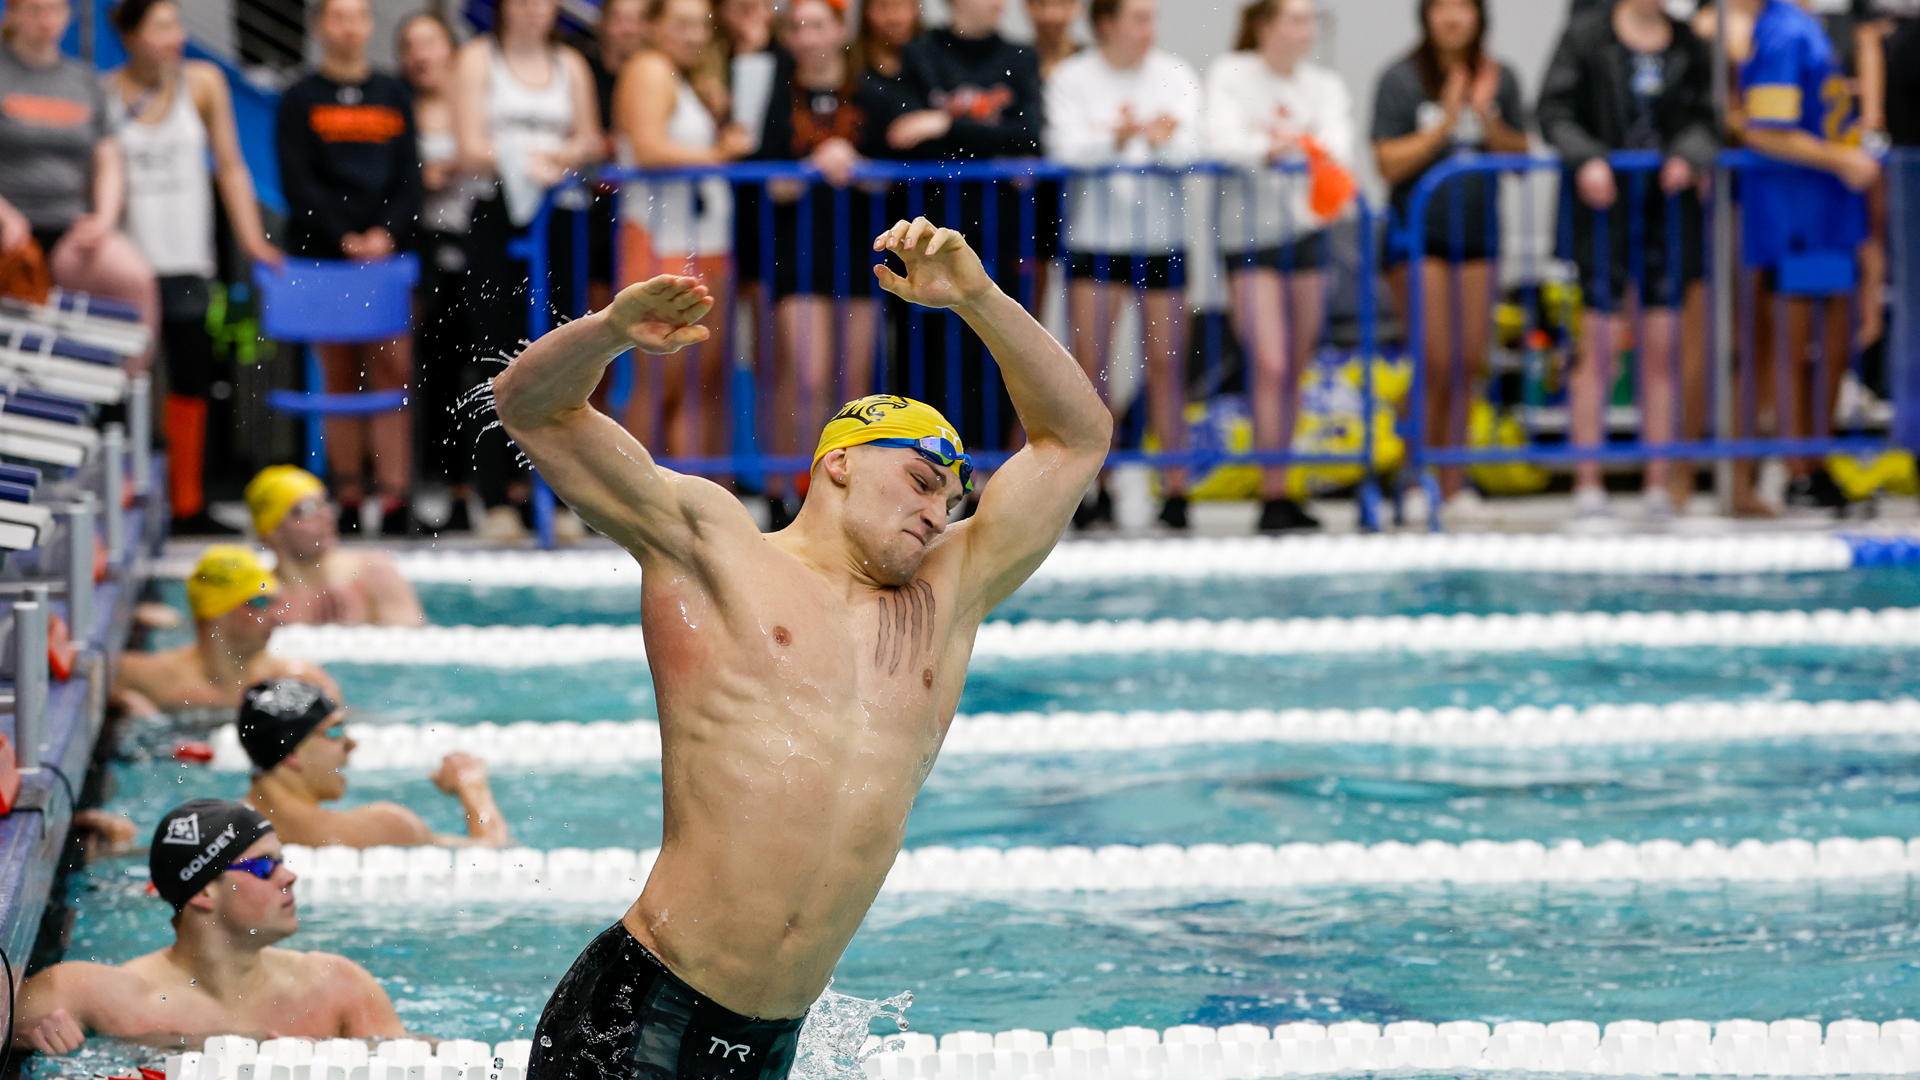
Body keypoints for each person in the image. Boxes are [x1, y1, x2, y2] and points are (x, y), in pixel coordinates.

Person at [493, 219, 1109, 1078]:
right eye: (921, 481)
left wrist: (979, 298)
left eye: (951, 498)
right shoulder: (714, 548)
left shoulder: (946, 595)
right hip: (641, 1014)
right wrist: (608, 333)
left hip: (769, 1044)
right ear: (840, 464)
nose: (937, 512)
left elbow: (1076, 439)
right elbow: (530, 407)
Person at [11, 800, 405, 1053]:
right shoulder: (91, 995)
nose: (289, 876)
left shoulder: (338, 987)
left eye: (282, 861)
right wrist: (19, 1037)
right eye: (264, 866)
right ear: (203, 891)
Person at [108, 0, 281, 537]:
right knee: (121, 387)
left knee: (192, 381)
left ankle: (188, 503)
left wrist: (253, 239)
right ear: (131, 36)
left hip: (187, 259)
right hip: (125, 267)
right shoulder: (103, 91)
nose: (176, 37)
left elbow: (230, 165)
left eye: (178, 25)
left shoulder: (202, 83)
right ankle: (118, 504)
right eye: (162, 27)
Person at [1538, 0, 1716, 523]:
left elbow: (1710, 117)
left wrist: (1688, 155)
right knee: (1598, 350)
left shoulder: (1688, 43)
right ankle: (1588, 483)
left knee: (1662, 352)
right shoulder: (1586, 36)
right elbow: (1553, 111)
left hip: (1666, 213)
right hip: (1603, 213)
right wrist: (1587, 158)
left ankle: (1657, 484)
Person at [451, 0, 602, 544]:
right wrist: (522, 162)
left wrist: (560, 159)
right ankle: (496, 496)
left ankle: (562, 494)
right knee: (495, 350)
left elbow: (591, 139)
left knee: (562, 352)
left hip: (557, 216)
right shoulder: (477, 60)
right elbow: (469, 147)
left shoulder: (571, 65)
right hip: (496, 214)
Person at [1371, 0, 1528, 518]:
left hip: (1479, 237)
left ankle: (1454, 480)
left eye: (1463, 7)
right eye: (1442, 7)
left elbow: (1521, 159)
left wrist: (1484, 115)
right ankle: (1414, 475)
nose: (1453, 18)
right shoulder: (1400, 78)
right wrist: (1444, 122)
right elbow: (1386, 163)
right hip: (1419, 239)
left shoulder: (1500, 77)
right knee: (1434, 359)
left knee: (1467, 363)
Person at [1047, 0, 1199, 530]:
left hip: (1162, 239)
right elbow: (1065, 149)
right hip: (1095, 239)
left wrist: (1160, 141)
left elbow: (1192, 150)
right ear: (1107, 24)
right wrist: (1125, 135)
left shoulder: (1175, 73)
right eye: (1139, 17)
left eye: (1152, 17)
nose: (1149, 28)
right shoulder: (1072, 77)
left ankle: (1176, 489)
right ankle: (1097, 487)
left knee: (1167, 365)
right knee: (1093, 368)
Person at [1207, 0, 1356, 533]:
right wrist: (1277, 149)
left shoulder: (1323, 85)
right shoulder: (1232, 74)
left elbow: (1337, 147)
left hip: (1305, 232)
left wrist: (1285, 148)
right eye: (1295, 19)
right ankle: (1270, 490)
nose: (1306, 29)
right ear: (1265, 26)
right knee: (1269, 362)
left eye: (1310, 19)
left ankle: (1283, 485)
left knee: (1295, 364)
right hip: (1248, 238)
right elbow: (1223, 142)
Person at [276, 0, 422, 536]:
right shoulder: (299, 98)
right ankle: (348, 494)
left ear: (369, 24)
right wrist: (343, 236)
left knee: (392, 370)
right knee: (339, 376)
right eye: (338, 16)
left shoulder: (393, 94)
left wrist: (386, 233)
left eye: (358, 16)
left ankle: (395, 495)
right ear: (320, 26)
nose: (348, 27)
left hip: (387, 258)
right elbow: (298, 182)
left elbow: (410, 175)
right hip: (324, 258)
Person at [1731, 0, 1879, 513]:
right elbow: (1763, 128)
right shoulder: (1783, 32)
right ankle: (1798, 471)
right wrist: (1841, 160)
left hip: (1826, 217)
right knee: (1797, 349)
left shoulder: (1803, 27)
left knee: (1830, 347)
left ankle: (1816, 464)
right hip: (1797, 216)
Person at [885, 0, 1045, 453]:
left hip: (1000, 231)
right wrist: (991, 142)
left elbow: (1029, 134)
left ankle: (989, 463)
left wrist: (945, 123)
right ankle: (925, 462)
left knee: (997, 349)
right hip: (930, 234)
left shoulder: (1019, 57)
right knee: (927, 352)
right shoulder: (920, 53)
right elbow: (902, 138)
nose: (999, 4)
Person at [750, 0, 885, 528]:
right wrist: (811, 167)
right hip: (798, 250)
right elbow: (768, 180)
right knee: (807, 375)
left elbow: (893, 175)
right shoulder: (777, 96)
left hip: (858, 249)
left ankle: (849, 496)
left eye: (817, 25)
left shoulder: (871, 92)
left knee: (854, 383)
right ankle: (792, 489)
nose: (808, 37)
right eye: (798, 27)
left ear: (841, 30)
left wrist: (858, 166)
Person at [614, 0, 750, 464]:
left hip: (702, 241)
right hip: (663, 242)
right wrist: (721, 153)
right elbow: (648, 147)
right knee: (661, 382)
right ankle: (631, 491)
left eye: (700, 25)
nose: (695, 35)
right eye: (682, 24)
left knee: (697, 383)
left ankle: (686, 490)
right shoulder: (650, 68)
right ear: (652, 26)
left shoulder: (682, 75)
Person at [0, 0, 158, 368]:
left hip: (71, 229)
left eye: (54, 11)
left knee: (135, 279)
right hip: (10, 227)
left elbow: (108, 161)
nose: (46, 21)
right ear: (14, 13)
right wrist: (5, 216)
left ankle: (128, 389)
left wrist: (103, 219)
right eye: (35, 10)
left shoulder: (84, 81)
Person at [237, 679, 512, 848]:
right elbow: (494, 850)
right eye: (334, 731)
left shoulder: (225, 830)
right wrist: (471, 785)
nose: (351, 744)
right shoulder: (380, 829)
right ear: (292, 754)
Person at [400, 11, 478, 534]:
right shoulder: (399, 109)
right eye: (411, 47)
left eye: (430, 43)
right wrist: (418, 181)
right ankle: (430, 483)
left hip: (476, 243)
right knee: (433, 372)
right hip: (423, 249)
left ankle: (479, 485)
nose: (421, 56)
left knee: (484, 366)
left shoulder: (474, 104)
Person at [113, 546, 339, 717]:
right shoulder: (142, 677)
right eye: (259, 602)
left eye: (275, 603)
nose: (276, 617)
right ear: (216, 612)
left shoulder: (301, 682)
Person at [246, 466, 425, 627]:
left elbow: (413, 641)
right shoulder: (260, 596)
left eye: (325, 503)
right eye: (307, 509)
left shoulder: (372, 571)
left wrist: (352, 632)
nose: (326, 515)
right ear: (272, 531)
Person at [1027, 0, 1082, 79]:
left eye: (1061, 4)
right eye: (1041, 4)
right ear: (1028, 6)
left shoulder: (1091, 60)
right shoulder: (1016, 63)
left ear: (1075, 6)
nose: (1050, 15)